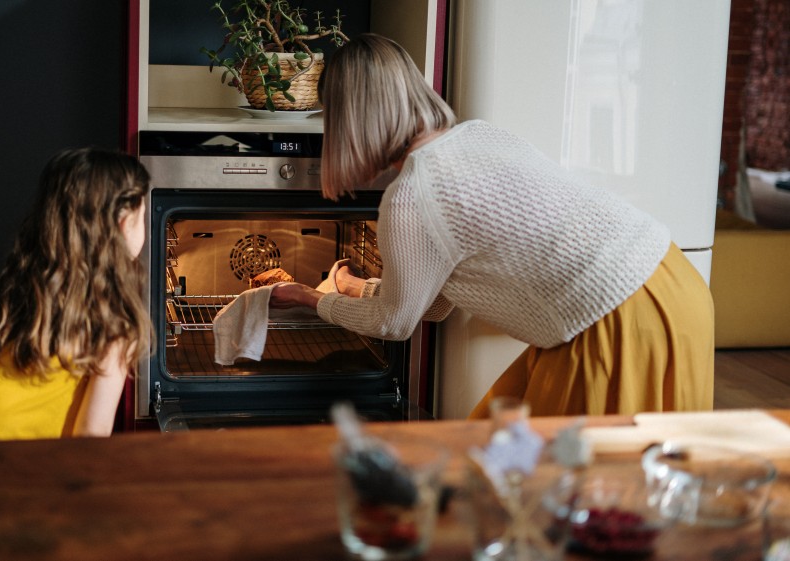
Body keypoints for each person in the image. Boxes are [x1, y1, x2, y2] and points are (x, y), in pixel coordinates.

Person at [269, 34, 714, 419]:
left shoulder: (410, 196)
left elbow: (394, 323)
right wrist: (349, 288)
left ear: (351, 120)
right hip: (672, 285)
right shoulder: (481, 136)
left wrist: (310, 298)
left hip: (615, 324)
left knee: (577, 489)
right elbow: (435, 303)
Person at [0, 147, 152, 525]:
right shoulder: (113, 320)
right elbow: (91, 435)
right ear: (122, 222)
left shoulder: (22, 283)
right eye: (144, 213)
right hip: (14, 483)